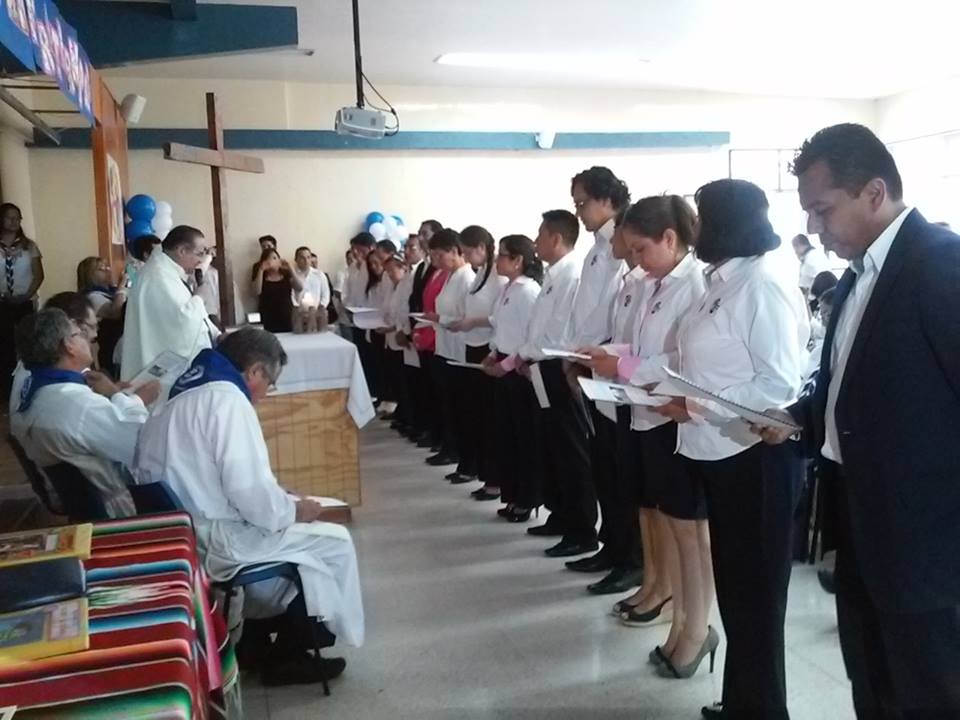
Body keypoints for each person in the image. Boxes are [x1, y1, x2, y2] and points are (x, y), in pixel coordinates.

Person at [754, 123, 960, 720]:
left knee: (930, 688)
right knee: (871, 677)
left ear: (874, 193)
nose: (814, 227)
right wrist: (797, 417)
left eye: (822, 209)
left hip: (928, 539)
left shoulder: (939, 265)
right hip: (860, 521)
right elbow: (845, 382)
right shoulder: (859, 274)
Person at [135, 328, 363, 686]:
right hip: (217, 539)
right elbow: (251, 495)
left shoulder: (181, 391)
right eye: (270, 382)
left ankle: (254, 644)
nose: (267, 393)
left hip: (184, 530)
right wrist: (294, 510)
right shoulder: (228, 400)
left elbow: (219, 477)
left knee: (306, 545)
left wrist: (276, 497)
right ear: (255, 370)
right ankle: (290, 654)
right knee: (333, 543)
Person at [654, 179, 806, 718]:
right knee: (739, 594)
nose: (695, 227)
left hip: (757, 457)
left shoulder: (762, 283)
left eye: (702, 216)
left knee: (757, 598)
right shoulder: (722, 281)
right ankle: (744, 703)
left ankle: (763, 710)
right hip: (721, 454)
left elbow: (779, 385)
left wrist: (696, 405)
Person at [10, 308, 158, 518]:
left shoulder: (34, 394)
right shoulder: (78, 406)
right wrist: (132, 399)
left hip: (85, 511)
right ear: (68, 345)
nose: (87, 338)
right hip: (122, 510)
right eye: (79, 333)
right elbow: (141, 444)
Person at [573, 208, 646, 595]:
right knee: (606, 471)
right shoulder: (628, 281)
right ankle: (613, 547)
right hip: (608, 385)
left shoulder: (649, 283)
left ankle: (632, 560)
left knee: (626, 481)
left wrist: (612, 358)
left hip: (632, 394)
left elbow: (646, 349)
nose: (611, 241)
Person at [564, 167, 631, 575]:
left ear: (607, 200)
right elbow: (585, 310)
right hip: (592, 361)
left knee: (618, 467)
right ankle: (612, 546)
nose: (579, 211)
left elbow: (610, 312)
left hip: (609, 364)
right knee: (603, 463)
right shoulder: (596, 248)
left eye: (583, 203)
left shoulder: (621, 245)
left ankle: (626, 554)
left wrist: (585, 355)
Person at [513, 210, 591, 556]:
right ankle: (560, 514)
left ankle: (582, 529)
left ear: (556, 238)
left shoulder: (572, 275)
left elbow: (559, 332)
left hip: (558, 368)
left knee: (571, 451)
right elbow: (539, 325)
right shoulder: (553, 274)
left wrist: (526, 353)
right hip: (541, 367)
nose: (535, 242)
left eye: (540, 234)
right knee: (553, 448)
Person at [481, 235, 543, 513]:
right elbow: (502, 328)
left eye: (503, 255)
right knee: (505, 434)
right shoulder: (508, 288)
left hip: (517, 369)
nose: (497, 260)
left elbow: (530, 336)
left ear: (518, 260)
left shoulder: (528, 291)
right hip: (503, 361)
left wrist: (505, 364)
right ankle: (512, 495)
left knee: (523, 437)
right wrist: (493, 352)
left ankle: (526, 499)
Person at [443, 226, 505, 486]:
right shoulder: (480, 273)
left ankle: (494, 478)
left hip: (488, 347)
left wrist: (472, 322)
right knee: (474, 413)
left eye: (468, 252)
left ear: (481, 247)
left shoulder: (499, 276)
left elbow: (499, 316)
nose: (466, 258)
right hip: (472, 343)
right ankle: (479, 470)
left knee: (489, 416)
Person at [121, 225, 218, 382]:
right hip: (160, 377)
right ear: (182, 251)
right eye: (199, 253)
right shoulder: (157, 277)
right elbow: (181, 321)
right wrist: (200, 297)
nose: (201, 260)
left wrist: (215, 334)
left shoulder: (168, 272)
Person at [422, 229, 475, 468]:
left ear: (454, 251)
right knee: (447, 405)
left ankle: (460, 455)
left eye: (439, 255)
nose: (436, 261)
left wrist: (439, 318)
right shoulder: (449, 276)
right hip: (444, 346)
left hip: (458, 349)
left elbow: (465, 317)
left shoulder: (466, 278)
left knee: (459, 407)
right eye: (432, 256)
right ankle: (451, 449)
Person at [0, 203, 43, 403]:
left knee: (28, 344)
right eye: (9, 217)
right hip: (2, 303)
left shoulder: (29, 246)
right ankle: (6, 393)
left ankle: (28, 390)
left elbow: (38, 275)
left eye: (17, 217)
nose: (14, 221)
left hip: (25, 301)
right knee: (5, 347)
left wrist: (25, 296)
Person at [76, 256, 127, 373]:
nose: (108, 270)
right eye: (101, 269)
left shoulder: (111, 291)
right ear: (90, 275)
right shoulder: (92, 296)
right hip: (111, 348)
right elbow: (115, 312)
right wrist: (122, 287)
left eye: (107, 267)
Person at [254, 248, 302, 333]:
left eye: (275, 258)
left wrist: (291, 268)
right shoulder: (262, 276)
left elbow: (299, 287)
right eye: (269, 259)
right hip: (268, 315)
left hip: (286, 314)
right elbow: (257, 291)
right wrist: (261, 269)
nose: (272, 261)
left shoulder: (286, 275)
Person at [291, 246, 331, 330]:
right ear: (296, 259)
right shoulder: (293, 276)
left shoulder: (319, 275)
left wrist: (320, 308)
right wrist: (297, 308)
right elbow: (291, 295)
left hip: (317, 314)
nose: (306, 261)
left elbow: (325, 294)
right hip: (299, 315)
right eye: (302, 258)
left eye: (308, 257)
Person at [792, 233, 833, 299]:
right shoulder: (818, 254)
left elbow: (803, 289)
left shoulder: (808, 260)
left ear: (799, 245)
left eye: (795, 248)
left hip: (818, 298)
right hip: (829, 294)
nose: (795, 252)